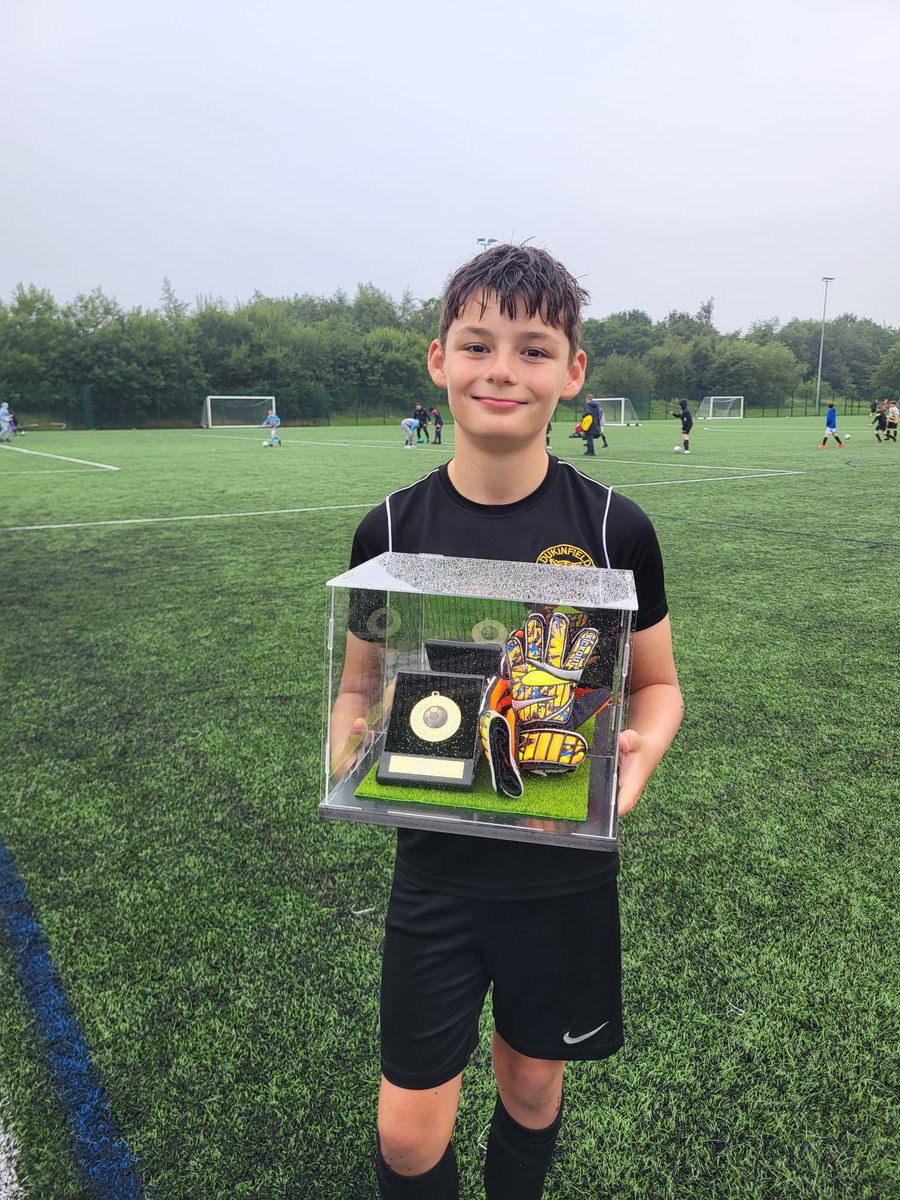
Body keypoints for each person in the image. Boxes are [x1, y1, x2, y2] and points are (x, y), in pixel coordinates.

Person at [331, 243, 684, 1200]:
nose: (502, 369)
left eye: (533, 350)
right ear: (438, 359)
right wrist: (348, 742)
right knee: (407, 1136)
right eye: (477, 344)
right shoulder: (390, 531)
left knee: (531, 1087)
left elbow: (656, 687)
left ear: (572, 374)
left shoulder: (617, 530)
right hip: (436, 876)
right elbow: (358, 686)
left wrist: (641, 754)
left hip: (560, 874)